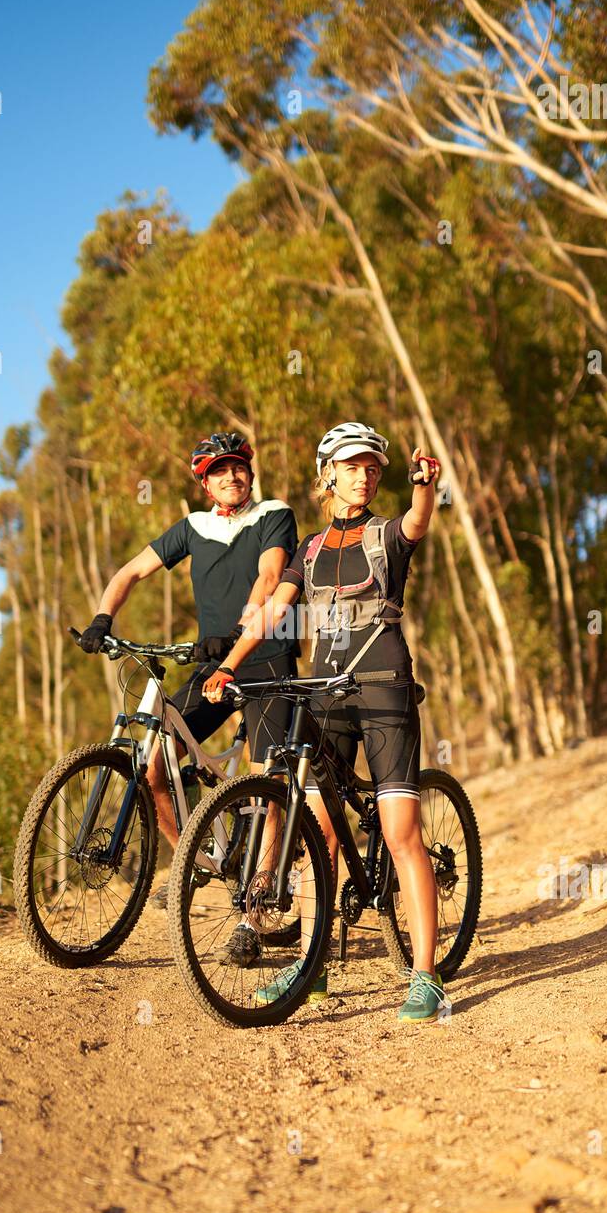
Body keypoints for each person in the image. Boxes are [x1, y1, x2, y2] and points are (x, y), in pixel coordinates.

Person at [202, 420, 447, 1022]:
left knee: (400, 833)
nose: (364, 476)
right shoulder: (308, 552)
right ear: (327, 475)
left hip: (384, 690)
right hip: (327, 695)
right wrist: (229, 666)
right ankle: (311, 968)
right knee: (319, 839)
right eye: (353, 466)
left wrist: (424, 486)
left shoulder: (387, 535)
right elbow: (270, 612)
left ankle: (426, 975)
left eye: (373, 468)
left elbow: (418, 521)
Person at [78, 432, 298, 955]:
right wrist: (103, 617)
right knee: (156, 767)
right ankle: (193, 863)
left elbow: (270, 575)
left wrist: (247, 621)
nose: (231, 476)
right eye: (219, 471)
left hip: (265, 661)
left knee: (269, 781)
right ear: (204, 482)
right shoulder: (193, 529)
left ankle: (259, 903)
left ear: (249, 471)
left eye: (237, 467)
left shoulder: (273, 513)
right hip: (210, 669)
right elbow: (131, 571)